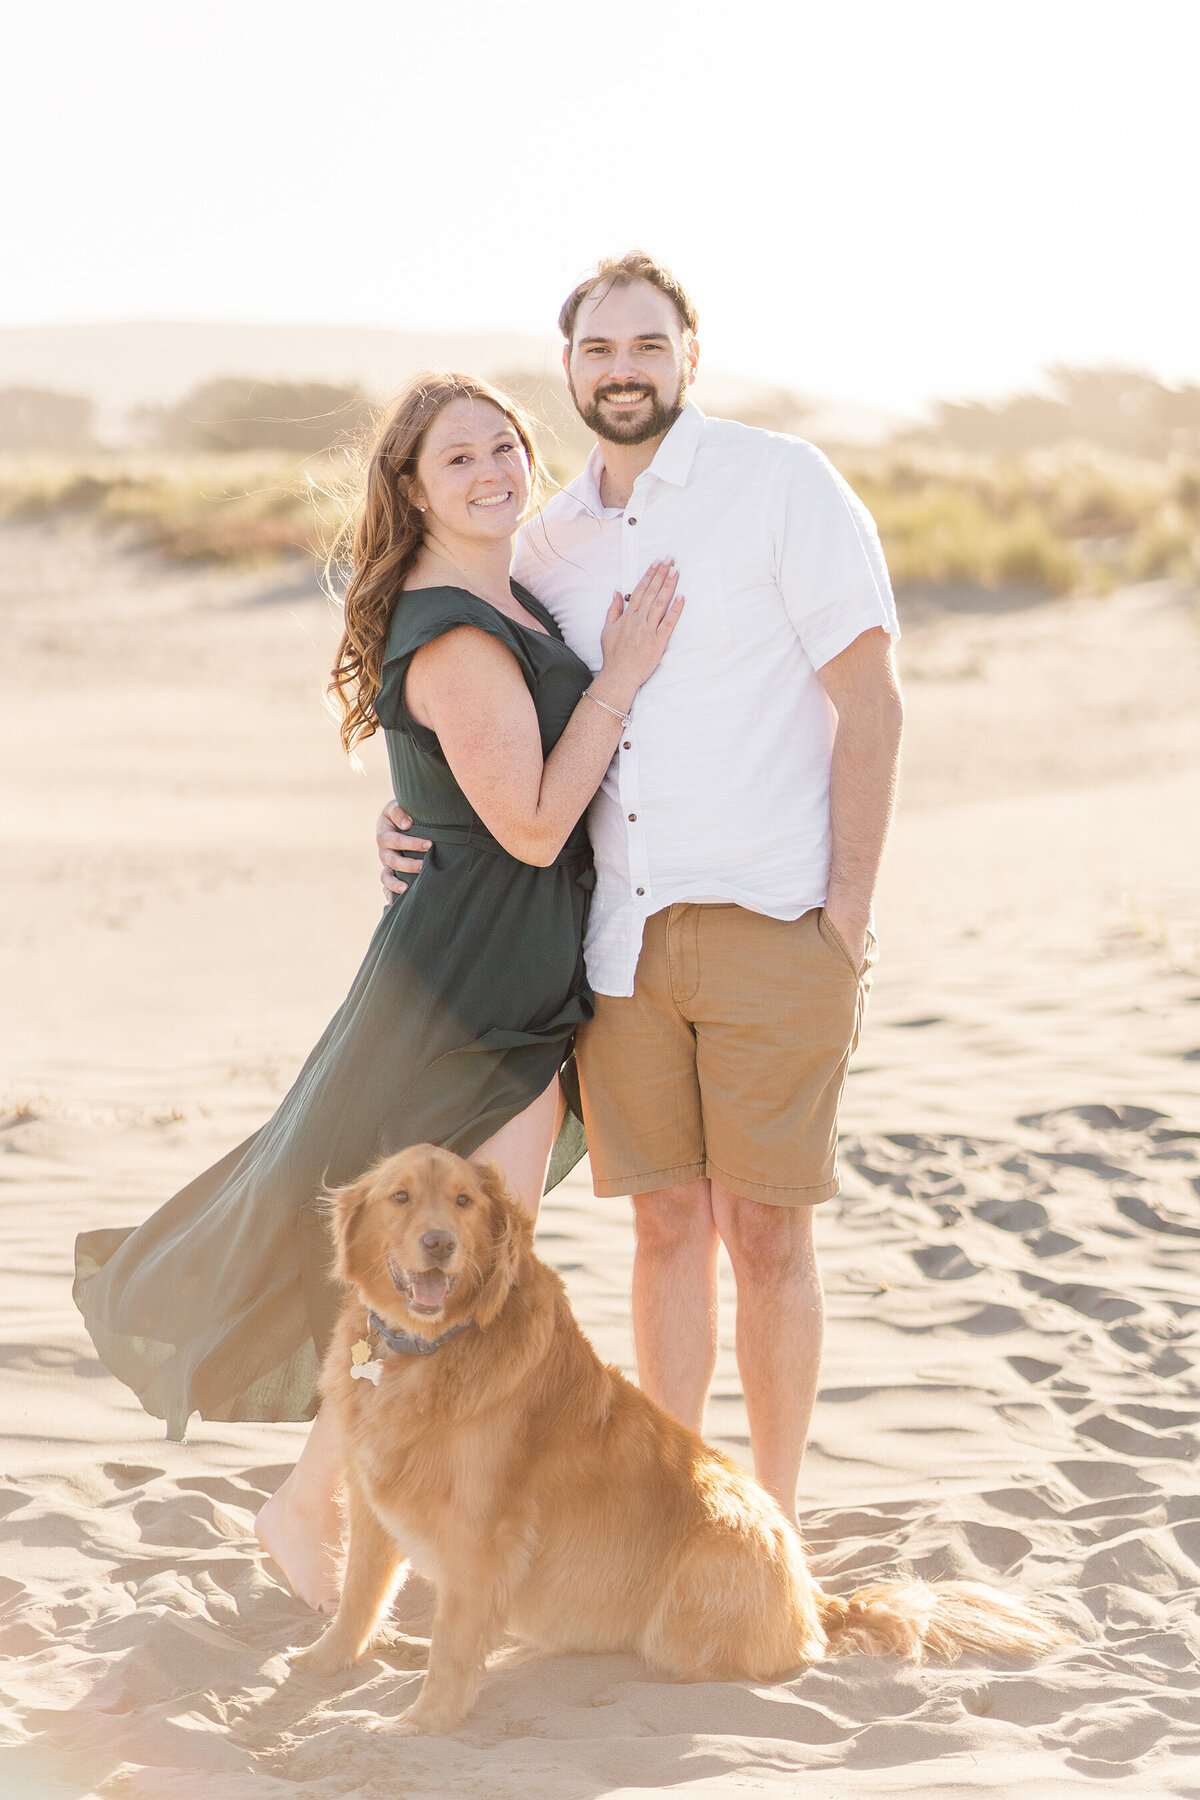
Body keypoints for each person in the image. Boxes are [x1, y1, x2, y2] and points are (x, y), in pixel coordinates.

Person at [73, 370, 683, 1611]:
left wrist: (415, 816)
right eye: (457, 459)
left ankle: (329, 1513)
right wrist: (619, 675)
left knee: (453, 1285)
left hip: (501, 981)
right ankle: (313, 1512)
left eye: (505, 446)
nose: (492, 471)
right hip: (464, 993)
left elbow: (466, 792)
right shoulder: (456, 625)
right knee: (445, 1281)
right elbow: (525, 824)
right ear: (410, 487)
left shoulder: (500, 593)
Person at [378, 254, 904, 1528]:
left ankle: (768, 1526)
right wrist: (404, 813)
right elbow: (483, 703)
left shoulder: (781, 485)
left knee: (768, 1238)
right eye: (599, 349)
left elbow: (873, 705)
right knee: (667, 1229)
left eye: (647, 346)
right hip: (616, 943)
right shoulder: (547, 540)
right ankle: (682, 1514)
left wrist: (844, 912)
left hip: (780, 917)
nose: (623, 369)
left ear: (689, 356)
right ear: (569, 370)